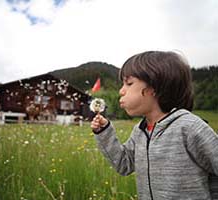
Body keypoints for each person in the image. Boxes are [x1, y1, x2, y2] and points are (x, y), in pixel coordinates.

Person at [91, 51, 218, 200]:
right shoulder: (140, 131)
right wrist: (104, 132)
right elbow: (123, 164)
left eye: (129, 83)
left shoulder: (189, 127)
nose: (121, 90)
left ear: (153, 88)